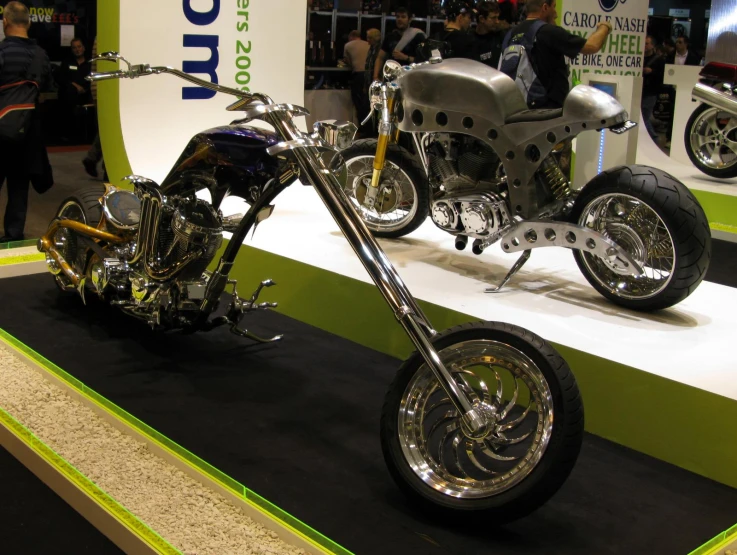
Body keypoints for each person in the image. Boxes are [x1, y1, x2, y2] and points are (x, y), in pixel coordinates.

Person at [0, 1, 52, 242]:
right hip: (27, 131)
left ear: (6, 22)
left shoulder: (2, 52)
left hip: (0, 132)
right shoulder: (41, 56)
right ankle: (13, 235)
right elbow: (48, 91)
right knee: (19, 188)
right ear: (28, 23)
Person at [503, 0, 611, 109]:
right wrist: (604, 27)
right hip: (546, 110)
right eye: (554, 7)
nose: (556, 13)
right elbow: (591, 46)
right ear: (545, 7)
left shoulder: (510, 34)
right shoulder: (547, 31)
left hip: (517, 108)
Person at [372, 7, 426, 80]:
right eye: (397, 17)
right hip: (391, 78)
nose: (399, 19)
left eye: (403, 17)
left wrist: (405, 57)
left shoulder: (417, 36)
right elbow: (380, 58)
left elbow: (424, 61)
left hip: (411, 78)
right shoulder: (390, 36)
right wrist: (375, 76)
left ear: (409, 19)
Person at [343, 30, 371, 133]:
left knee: (358, 102)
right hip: (369, 75)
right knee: (367, 101)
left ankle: (361, 127)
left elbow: (348, 62)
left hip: (358, 75)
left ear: (351, 37)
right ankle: (369, 128)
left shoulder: (348, 45)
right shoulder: (368, 44)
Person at [641, 35, 665, 141]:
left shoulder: (659, 60)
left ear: (652, 45)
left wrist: (651, 72)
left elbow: (662, 76)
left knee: (644, 117)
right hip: (640, 91)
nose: (644, 46)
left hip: (650, 92)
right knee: (642, 116)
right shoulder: (639, 58)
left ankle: (653, 138)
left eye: (647, 44)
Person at [475, 1, 507, 68]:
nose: (497, 22)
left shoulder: (501, 36)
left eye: (497, 18)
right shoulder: (470, 40)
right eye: (493, 18)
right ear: (482, 19)